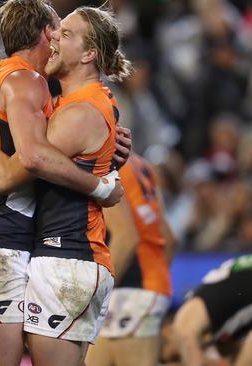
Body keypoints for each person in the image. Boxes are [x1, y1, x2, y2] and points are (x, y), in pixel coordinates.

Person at [0, 1, 130, 365]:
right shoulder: (38, 87)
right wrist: (100, 182)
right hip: (9, 242)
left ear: (88, 54)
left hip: (58, 253)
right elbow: (17, 168)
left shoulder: (70, 103)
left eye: (65, 34)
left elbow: (29, 160)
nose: (55, 40)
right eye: (56, 30)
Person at [86, 154, 177, 366]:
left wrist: (94, 297)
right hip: (143, 287)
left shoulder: (102, 160)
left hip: (127, 288)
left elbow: (126, 238)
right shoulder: (140, 164)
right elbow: (170, 239)